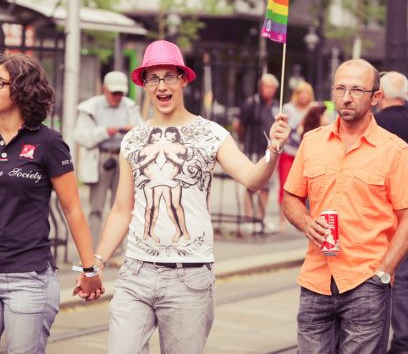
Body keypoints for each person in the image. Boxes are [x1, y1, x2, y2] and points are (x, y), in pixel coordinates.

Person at [74, 40, 291, 354]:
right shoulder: (133, 139)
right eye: (153, 78)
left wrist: (273, 149)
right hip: (136, 272)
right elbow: (122, 209)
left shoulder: (212, 134)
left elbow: (253, 179)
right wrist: (96, 264)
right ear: (144, 84)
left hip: (188, 276)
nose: (162, 85)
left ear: (184, 79)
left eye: (169, 77)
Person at [0, 53, 103, 353]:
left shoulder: (49, 142)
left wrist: (90, 269)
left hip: (29, 277)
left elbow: (72, 210)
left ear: (22, 88)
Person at [283, 59, 408, 353]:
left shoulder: (395, 151)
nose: (346, 97)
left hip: (366, 282)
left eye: (356, 90)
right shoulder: (312, 142)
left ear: (376, 97)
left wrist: (384, 272)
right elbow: (291, 198)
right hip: (316, 279)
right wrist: (305, 221)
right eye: (340, 88)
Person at [74, 71, 142, 246]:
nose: (118, 97)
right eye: (114, 93)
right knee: (96, 208)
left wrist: (132, 130)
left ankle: (116, 249)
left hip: (123, 158)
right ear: (104, 89)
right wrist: (105, 131)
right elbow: (81, 136)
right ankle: (92, 248)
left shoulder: (130, 106)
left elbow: (143, 133)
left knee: (121, 206)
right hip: (100, 158)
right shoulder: (91, 107)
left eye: (121, 93)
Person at [375, 71, 408, 354]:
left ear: (380, 95)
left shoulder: (374, 124)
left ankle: (400, 342)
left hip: (387, 215)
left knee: (392, 278)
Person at [233, 73, 279, 233]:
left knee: (266, 186)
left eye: (273, 87)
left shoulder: (276, 106)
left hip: (267, 151)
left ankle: (260, 218)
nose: (269, 90)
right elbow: (238, 124)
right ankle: (248, 217)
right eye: (267, 86)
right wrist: (244, 140)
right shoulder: (251, 103)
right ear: (261, 87)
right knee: (250, 184)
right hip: (252, 149)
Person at [278, 81, 314, 231]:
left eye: (307, 93)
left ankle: (305, 219)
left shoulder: (314, 108)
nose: (304, 96)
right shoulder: (288, 108)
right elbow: (288, 127)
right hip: (289, 152)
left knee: (309, 187)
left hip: (307, 153)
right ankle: (282, 218)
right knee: (286, 185)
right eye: (301, 93)